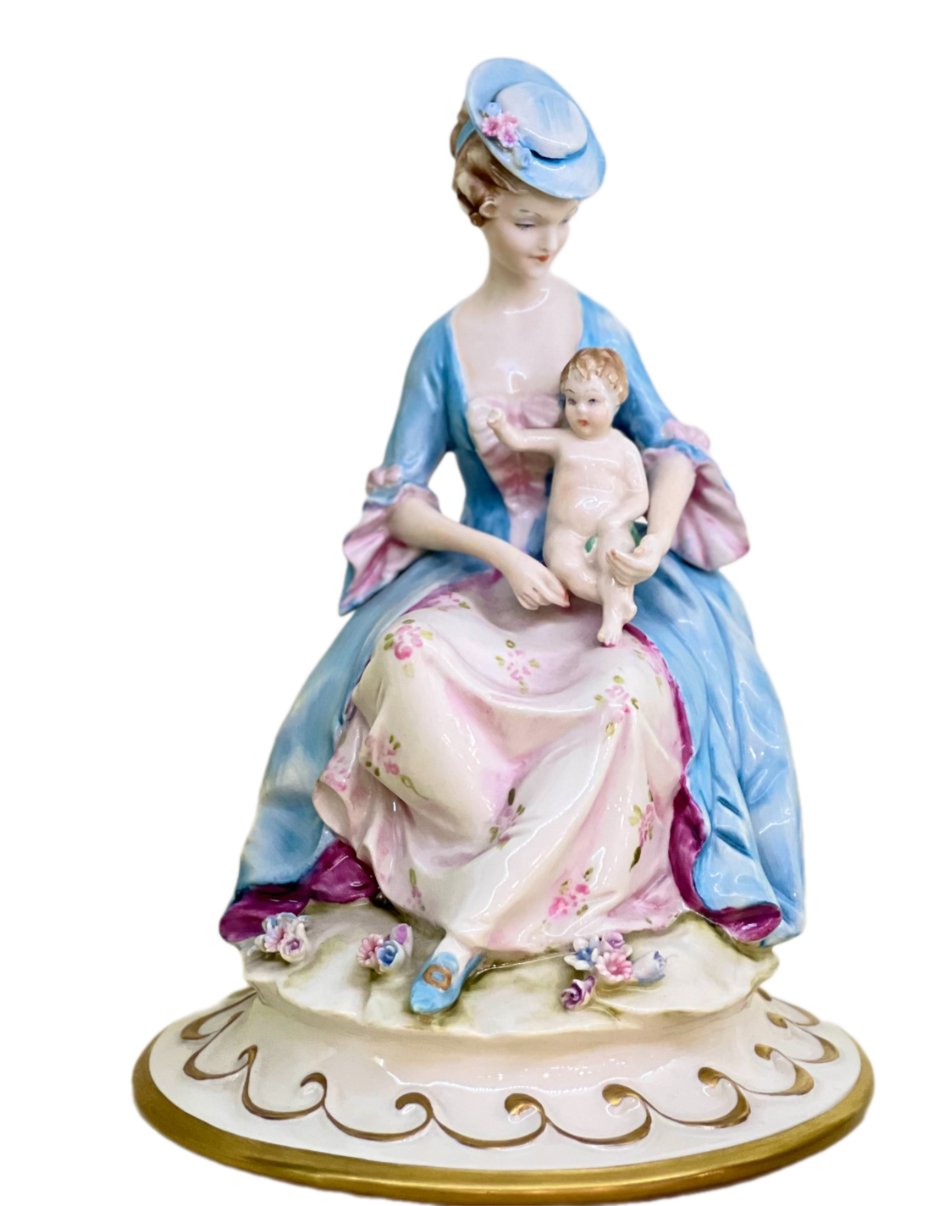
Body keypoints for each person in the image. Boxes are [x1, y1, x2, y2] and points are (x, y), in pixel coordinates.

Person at [221, 59, 805, 1016]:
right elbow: (403, 499)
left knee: (624, 699)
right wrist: (497, 553)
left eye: (563, 221)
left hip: (607, 582)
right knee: (405, 661)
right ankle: (461, 886)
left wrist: (653, 537)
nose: (550, 242)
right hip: (487, 581)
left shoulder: (594, 324)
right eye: (529, 219)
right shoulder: (444, 345)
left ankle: (472, 933)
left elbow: (670, 447)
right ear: (478, 203)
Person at [489, 346, 648, 646]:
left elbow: (639, 496)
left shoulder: (624, 449)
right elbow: (520, 440)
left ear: (616, 400)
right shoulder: (563, 441)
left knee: (614, 556)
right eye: (572, 400)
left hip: (610, 529)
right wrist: (500, 425)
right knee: (562, 564)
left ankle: (613, 610)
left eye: (592, 401)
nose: (580, 411)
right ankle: (614, 601)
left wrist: (616, 518)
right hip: (567, 531)